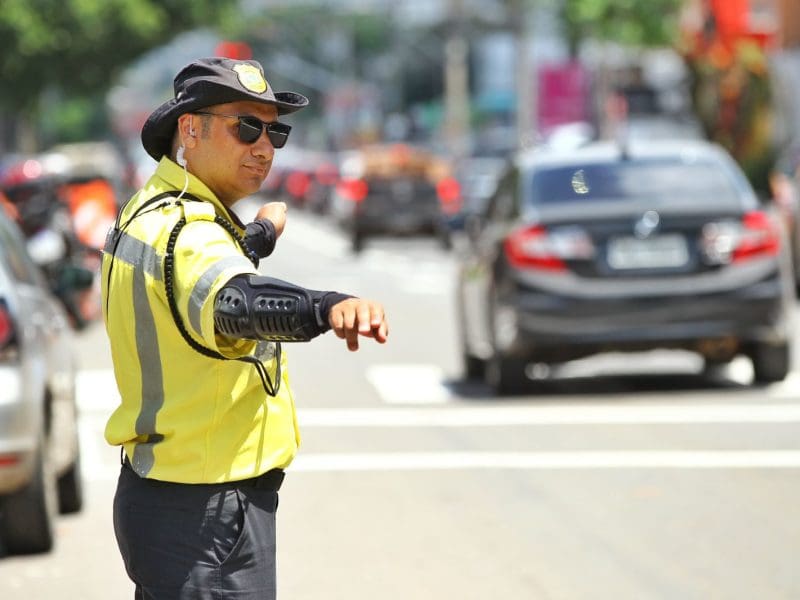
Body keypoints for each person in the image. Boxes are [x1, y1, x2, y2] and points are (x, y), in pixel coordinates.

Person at [101, 57, 389, 600]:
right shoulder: (189, 230)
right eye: (246, 127)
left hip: (169, 498)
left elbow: (184, 281)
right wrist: (326, 306)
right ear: (190, 128)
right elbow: (234, 301)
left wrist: (256, 235)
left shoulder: (151, 211)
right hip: (207, 516)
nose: (264, 147)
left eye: (274, 130)